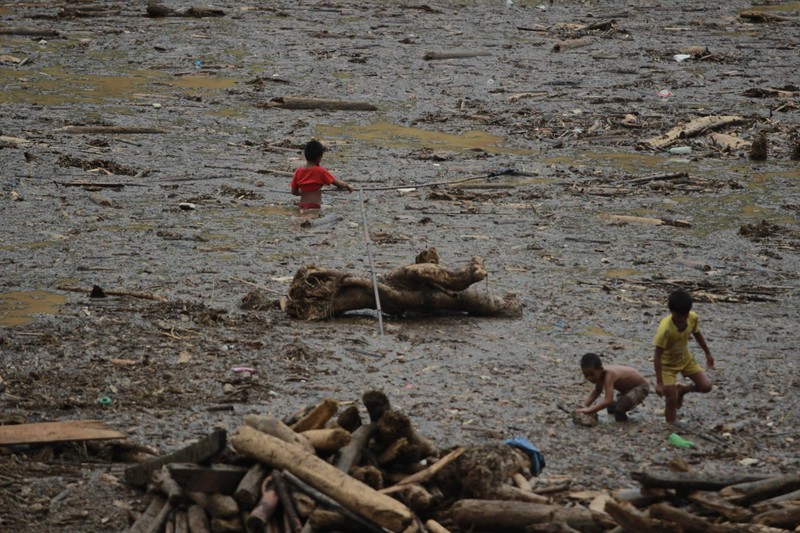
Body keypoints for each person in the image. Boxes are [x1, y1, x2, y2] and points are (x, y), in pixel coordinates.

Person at [653, 289, 714, 423]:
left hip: (685, 359)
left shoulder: (692, 317)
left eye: (684, 315)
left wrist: (707, 352)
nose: (682, 319)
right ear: (672, 312)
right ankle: (671, 428)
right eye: (679, 316)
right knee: (671, 400)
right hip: (667, 366)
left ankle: (682, 389)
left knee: (706, 386)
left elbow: (697, 334)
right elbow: (657, 357)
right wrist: (659, 383)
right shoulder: (665, 330)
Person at [576, 352, 650, 422]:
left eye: (592, 374)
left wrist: (589, 410)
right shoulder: (598, 374)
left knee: (620, 410)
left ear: (601, 369)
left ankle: (624, 426)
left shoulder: (609, 375)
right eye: (586, 375)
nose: (589, 378)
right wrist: (584, 405)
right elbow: (597, 391)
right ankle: (616, 419)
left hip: (640, 387)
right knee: (611, 407)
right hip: (625, 391)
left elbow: (608, 400)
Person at [291, 140, 353, 210]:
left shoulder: (298, 171)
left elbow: (294, 192)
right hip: (314, 207)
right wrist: (347, 185)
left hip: (302, 206)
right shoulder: (320, 171)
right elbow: (338, 183)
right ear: (319, 159)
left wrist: (305, 193)